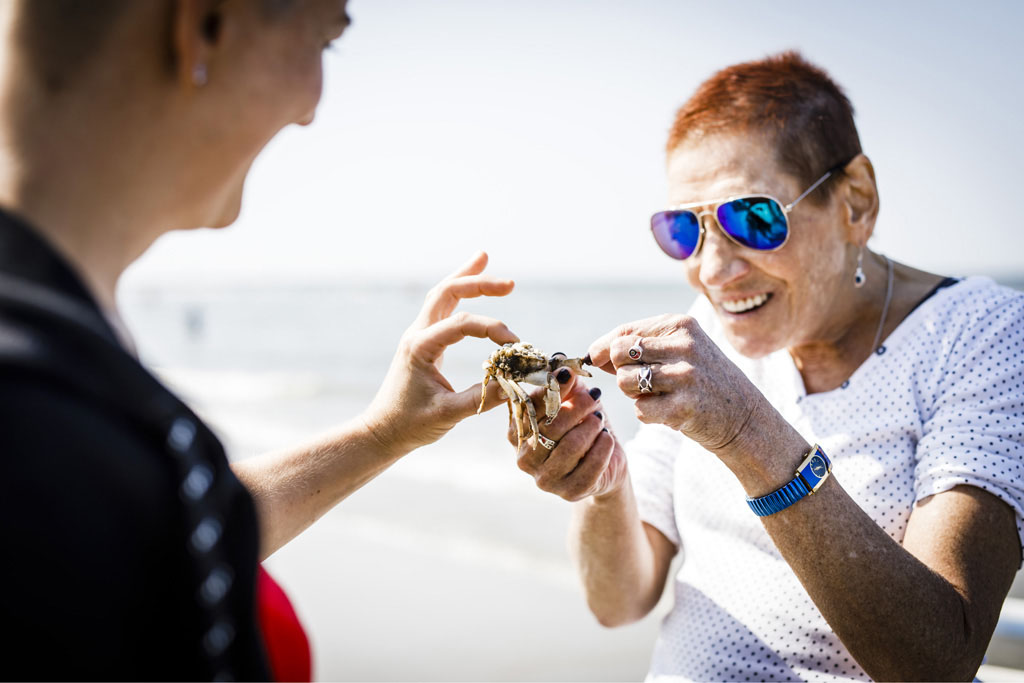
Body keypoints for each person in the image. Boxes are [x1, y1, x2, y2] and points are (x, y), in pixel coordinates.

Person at [0, 1, 518, 679]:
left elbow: (140, 539)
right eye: (325, 43)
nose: (312, 109)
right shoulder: (69, 429)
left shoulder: (86, 427)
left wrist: (384, 433)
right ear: (204, 27)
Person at [513, 51, 1023, 681]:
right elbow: (618, 601)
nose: (713, 269)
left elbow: (938, 659)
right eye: (683, 230)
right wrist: (601, 480)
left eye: (751, 218)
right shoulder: (708, 328)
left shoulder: (985, 334)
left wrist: (748, 434)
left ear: (856, 202)